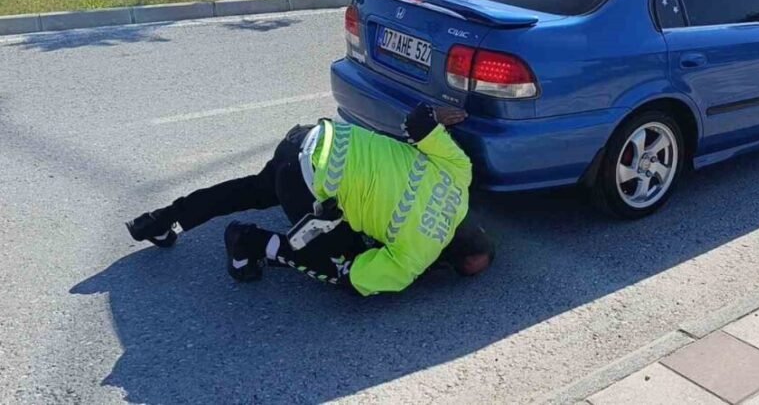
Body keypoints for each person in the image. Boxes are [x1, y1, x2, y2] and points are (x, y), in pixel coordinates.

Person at [124, 103, 495, 297]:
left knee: (254, 189)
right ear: (445, 261)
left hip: (311, 139)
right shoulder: (416, 258)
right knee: (342, 265)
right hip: (307, 182)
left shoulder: (459, 173)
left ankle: (162, 220)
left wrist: (440, 114)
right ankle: (248, 244)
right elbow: (356, 279)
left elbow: (417, 121)